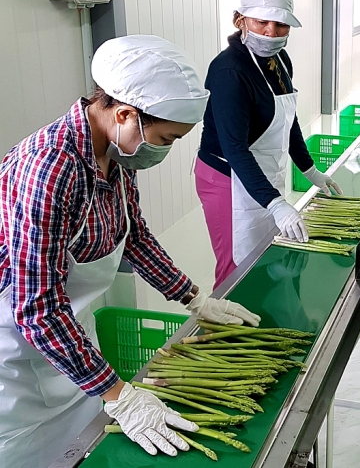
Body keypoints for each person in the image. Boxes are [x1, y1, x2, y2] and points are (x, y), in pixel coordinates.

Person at [0, 35, 261, 468]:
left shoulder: (115, 151)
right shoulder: (47, 171)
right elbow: (39, 309)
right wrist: (119, 395)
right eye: (167, 137)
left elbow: (133, 235)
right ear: (125, 114)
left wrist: (193, 298)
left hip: (71, 344)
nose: (165, 147)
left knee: (82, 451)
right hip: (17, 357)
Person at [197, 0, 342, 289]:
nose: (271, 32)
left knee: (262, 249)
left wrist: (310, 169)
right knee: (235, 263)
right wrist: (276, 203)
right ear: (240, 20)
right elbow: (235, 148)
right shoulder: (229, 71)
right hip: (227, 177)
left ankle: (261, 305)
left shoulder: (279, 60)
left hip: (262, 171)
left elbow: (286, 120)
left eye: (281, 25)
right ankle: (225, 327)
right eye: (262, 22)